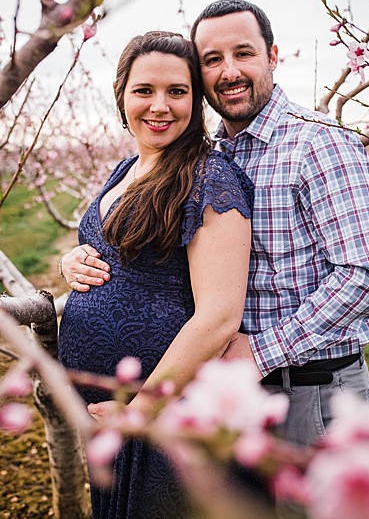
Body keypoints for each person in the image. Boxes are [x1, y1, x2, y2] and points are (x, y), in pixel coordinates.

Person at [65, 0, 369, 442]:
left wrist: (260, 352)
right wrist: (78, 259)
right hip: (233, 393)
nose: (229, 72)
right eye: (212, 60)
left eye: (243, 54)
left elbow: (367, 275)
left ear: (272, 57)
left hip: (310, 389)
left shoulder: (318, 143)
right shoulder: (212, 154)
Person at [57, 33, 253, 519]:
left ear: (197, 99)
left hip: (161, 413)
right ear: (122, 95)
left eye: (177, 91)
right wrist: (70, 261)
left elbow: (218, 318)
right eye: (144, 90)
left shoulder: (208, 178)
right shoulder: (127, 168)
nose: (160, 106)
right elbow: (110, 251)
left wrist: (140, 412)